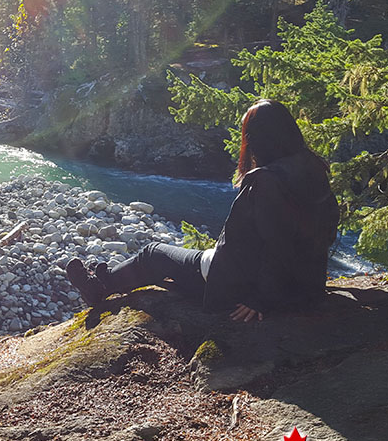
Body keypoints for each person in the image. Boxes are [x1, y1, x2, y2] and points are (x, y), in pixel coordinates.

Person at [64, 99, 339, 321]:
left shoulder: (266, 181)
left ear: (259, 139)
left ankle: (100, 288)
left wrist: (261, 300)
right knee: (171, 262)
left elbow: (277, 245)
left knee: (153, 254)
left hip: (241, 283)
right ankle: (106, 279)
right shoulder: (312, 167)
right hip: (304, 284)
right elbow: (324, 231)